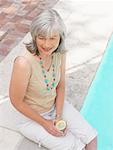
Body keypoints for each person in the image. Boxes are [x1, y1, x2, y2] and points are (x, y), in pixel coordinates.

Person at [9, 9, 97, 150]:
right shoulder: (23, 63)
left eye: (52, 38)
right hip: (29, 117)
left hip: (53, 106)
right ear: (34, 36)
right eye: (42, 37)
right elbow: (16, 102)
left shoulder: (60, 53)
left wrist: (58, 115)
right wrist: (45, 123)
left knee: (91, 137)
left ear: (60, 38)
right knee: (72, 145)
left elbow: (60, 85)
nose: (47, 44)